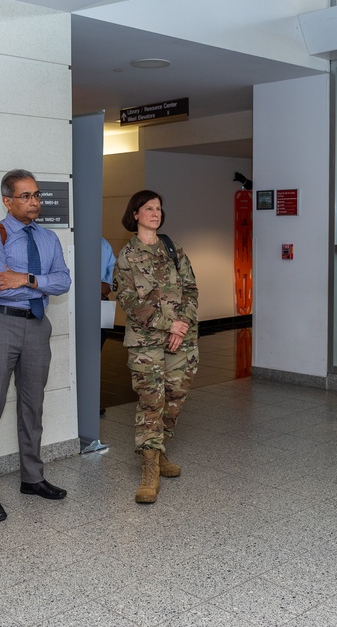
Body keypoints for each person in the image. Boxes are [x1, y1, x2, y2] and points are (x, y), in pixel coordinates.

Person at [0, 169, 72, 523]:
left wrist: (28, 278)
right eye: (26, 196)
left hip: (36, 327)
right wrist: (38, 285)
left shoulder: (47, 238)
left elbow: (63, 282)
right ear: (7, 200)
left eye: (37, 195)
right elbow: (0, 287)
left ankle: (32, 477)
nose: (35, 202)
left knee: (33, 405)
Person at [114, 191, 199, 504]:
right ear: (135, 214)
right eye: (148, 208)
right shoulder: (126, 256)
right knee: (152, 402)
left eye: (159, 208)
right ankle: (149, 470)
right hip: (146, 342)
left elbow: (191, 289)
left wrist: (183, 324)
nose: (155, 213)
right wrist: (169, 324)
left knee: (175, 398)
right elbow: (129, 301)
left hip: (182, 339)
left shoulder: (173, 248)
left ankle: (160, 449)